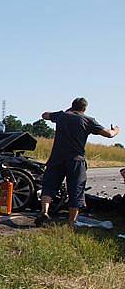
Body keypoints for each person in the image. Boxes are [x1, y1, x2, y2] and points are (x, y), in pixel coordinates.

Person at [36, 97, 120, 227]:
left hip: (56, 158)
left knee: (49, 186)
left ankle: (44, 211)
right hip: (76, 160)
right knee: (76, 190)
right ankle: (71, 222)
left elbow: (44, 115)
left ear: (72, 106)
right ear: (84, 108)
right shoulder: (88, 120)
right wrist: (116, 130)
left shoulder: (61, 116)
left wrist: (63, 113)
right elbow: (109, 134)